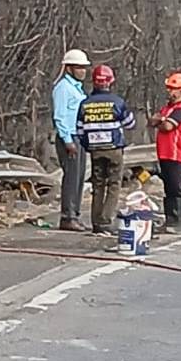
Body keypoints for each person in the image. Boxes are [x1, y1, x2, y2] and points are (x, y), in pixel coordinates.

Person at [76, 65, 136, 236]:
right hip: (114, 148)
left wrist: (87, 145)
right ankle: (106, 221)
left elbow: (80, 129)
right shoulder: (117, 102)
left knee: (98, 184)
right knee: (114, 184)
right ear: (110, 81)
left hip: (95, 150)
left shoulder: (85, 104)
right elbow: (130, 124)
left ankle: (96, 222)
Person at [149, 72, 181, 233]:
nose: (170, 92)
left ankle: (180, 221)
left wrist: (160, 121)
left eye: (173, 89)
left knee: (176, 187)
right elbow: (154, 120)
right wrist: (160, 120)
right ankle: (170, 220)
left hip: (176, 154)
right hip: (164, 153)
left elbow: (168, 126)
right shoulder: (167, 108)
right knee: (168, 187)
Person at [52, 49, 90, 231]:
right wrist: (67, 140)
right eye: (79, 67)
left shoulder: (77, 89)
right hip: (69, 137)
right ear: (69, 68)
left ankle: (75, 214)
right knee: (71, 178)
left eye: (84, 67)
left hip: (79, 136)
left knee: (80, 178)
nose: (83, 71)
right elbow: (59, 117)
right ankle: (67, 217)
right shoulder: (62, 88)